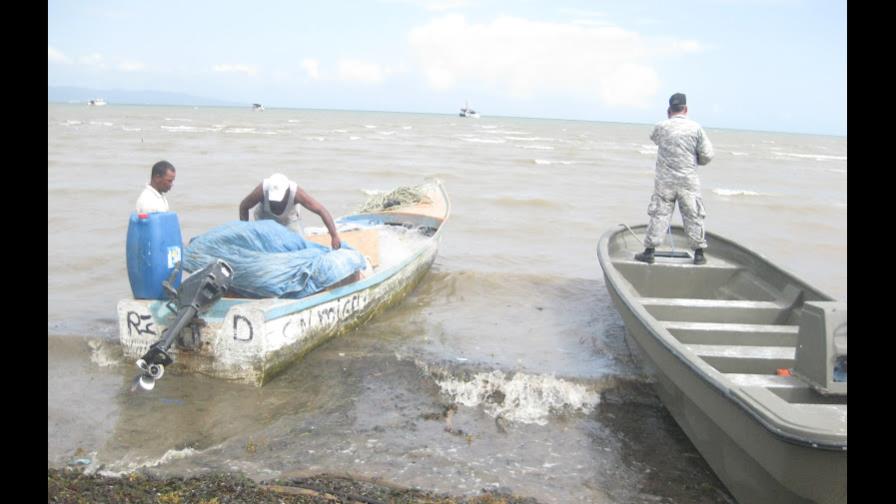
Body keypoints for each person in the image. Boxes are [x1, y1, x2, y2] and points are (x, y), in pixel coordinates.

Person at [634, 92, 714, 265]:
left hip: (665, 181)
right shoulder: (696, 128)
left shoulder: (661, 127)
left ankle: (649, 252)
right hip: (688, 180)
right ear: (685, 109)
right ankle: (699, 254)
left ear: (669, 109)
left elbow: (655, 138)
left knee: (659, 214)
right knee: (693, 215)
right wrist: (696, 160)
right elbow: (707, 155)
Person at [239, 173, 343, 250]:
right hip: (265, 217)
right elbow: (243, 206)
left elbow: (321, 210)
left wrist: (334, 236)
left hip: (288, 219)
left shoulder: (296, 193)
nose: (277, 203)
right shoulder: (262, 190)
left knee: (299, 248)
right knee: (265, 247)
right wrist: (245, 232)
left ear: (287, 191)